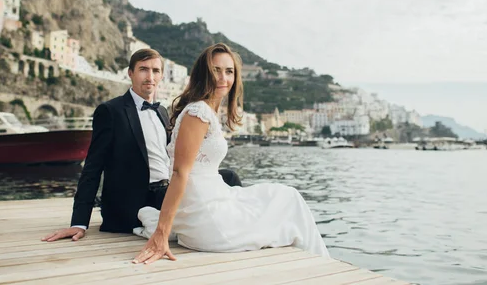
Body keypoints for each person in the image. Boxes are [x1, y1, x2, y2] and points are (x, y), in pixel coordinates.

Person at [132, 43, 330, 264]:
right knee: (289, 200)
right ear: (203, 72)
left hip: (214, 199)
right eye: (216, 70)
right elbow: (179, 173)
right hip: (208, 217)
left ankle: (318, 264)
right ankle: (322, 265)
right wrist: (161, 233)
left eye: (229, 71)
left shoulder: (206, 110)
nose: (223, 78)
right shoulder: (198, 112)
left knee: (284, 197)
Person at [42, 48, 241, 242]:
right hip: (136, 198)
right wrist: (79, 222)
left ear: (162, 75)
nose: (150, 77)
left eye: (156, 71)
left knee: (228, 177)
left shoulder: (162, 112)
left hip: (168, 188)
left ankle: (232, 227)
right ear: (130, 73)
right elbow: (92, 167)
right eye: (143, 69)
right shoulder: (111, 111)